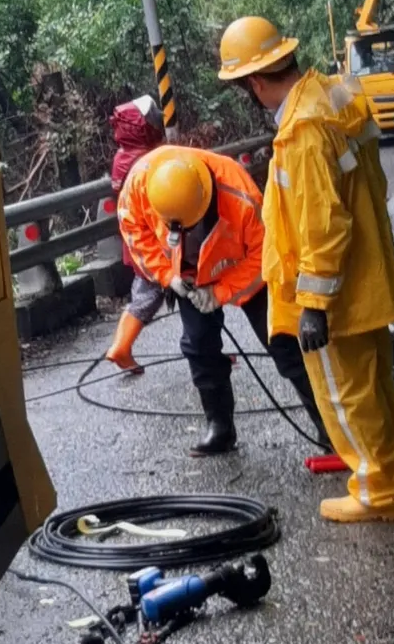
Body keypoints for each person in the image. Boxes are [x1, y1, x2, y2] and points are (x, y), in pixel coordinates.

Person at [218, 15, 394, 522]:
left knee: (347, 397)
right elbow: (364, 188)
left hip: (339, 298)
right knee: (376, 390)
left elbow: (322, 225)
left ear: (256, 82)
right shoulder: (334, 96)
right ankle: (393, 477)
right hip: (367, 279)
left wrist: (314, 305)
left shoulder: (302, 129)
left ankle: (377, 494)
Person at [117, 144, 327, 456]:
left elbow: (265, 255)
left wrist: (221, 292)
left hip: (239, 264)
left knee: (283, 340)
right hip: (187, 273)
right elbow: (135, 235)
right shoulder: (138, 185)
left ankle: (328, 428)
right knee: (198, 345)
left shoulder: (239, 193)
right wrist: (168, 277)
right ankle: (220, 428)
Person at [105, 95, 165, 374]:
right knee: (149, 294)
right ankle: (121, 347)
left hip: (136, 238)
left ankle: (210, 352)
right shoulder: (145, 157)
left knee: (150, 292)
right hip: (153, 239)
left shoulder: (123, 155)